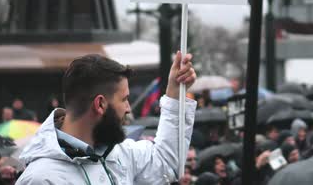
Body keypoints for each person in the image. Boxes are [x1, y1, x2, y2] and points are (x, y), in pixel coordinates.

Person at [16, 52, 197, 184]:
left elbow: (165, 163)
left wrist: (175, 92)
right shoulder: (40, 179)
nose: (128, 109)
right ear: (100, 104)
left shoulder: (119, 152)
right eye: (125, 99)